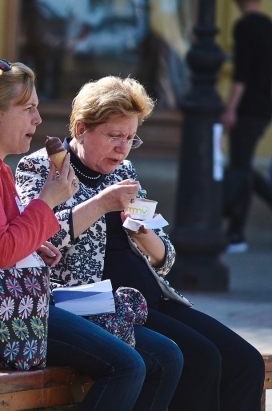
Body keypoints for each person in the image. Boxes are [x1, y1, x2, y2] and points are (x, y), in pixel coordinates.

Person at [0, 61, 182, 411]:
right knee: (126, 365)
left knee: (165, 356)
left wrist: (35, 246)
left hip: (13, 304)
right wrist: (49, 199)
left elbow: (4, 240)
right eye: (28, 109)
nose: (38, 119)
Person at [15, 76, 265, 410]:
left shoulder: (123, 171)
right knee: (201, 357)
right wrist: (101, 204)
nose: (122, 148)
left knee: (246, 361)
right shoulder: (39, 167)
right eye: (114, 136)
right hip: (93, 303)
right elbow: (35, 239)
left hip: (153, 297)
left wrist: (143, 234)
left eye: (131, 138)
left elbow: (166, 257)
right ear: (80, 129)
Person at [221, 0, 272, 253]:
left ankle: (236, 234)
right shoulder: (268, 25)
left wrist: (231, 109)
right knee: (244, 168)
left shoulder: (244, 27)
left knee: (239, 170)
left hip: (247, 108)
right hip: (264, 106)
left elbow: (242, 74)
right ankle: (234, 232)